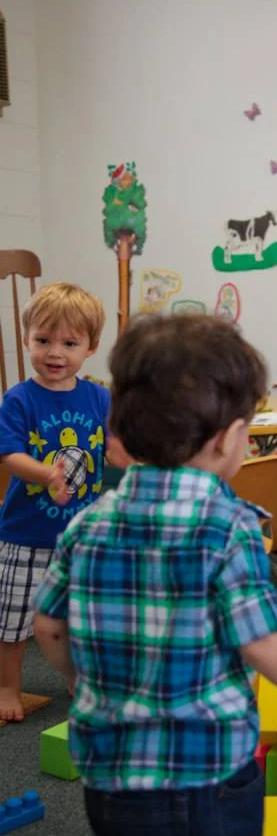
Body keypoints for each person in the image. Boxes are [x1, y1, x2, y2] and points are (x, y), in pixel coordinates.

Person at [33, 314, 277, 836]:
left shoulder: (85, 526)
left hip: (108, 776)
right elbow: (265, 643)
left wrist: (79, 678)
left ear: (119, 433)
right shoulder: (227, 526)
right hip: (205, 778)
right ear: (231, 439)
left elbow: (49, 627)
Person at [0, 281, 111, 722]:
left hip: (82, 536)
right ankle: (7, 687)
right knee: (12, 622)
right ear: (27, 339)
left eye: (69, 343)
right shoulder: (19, 398)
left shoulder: (99, 396)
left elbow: (118, 447)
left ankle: (78, 677)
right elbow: (9, 454)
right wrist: (47, 474)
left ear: (90, 347)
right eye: (43, 340)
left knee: (83, 617)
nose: (54, 353)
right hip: (26, 535)